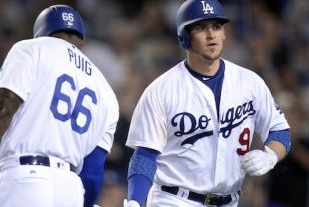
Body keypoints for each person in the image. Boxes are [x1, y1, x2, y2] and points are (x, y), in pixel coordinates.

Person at [123, 0, 291, 206]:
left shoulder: (250, 82)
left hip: (230, 200)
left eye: (216, 26)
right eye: (201, 28)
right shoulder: (161, 90)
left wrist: (271, 155)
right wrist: (134, 201)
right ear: (185, 37)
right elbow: (144, 156)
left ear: (224, 33)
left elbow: (280, 131)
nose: (211, 35)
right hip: (174, 199)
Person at [0, 4, 119, 207]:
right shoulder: (106, 91)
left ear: (41, 33)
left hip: (26, 180)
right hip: (71, 190)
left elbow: (4, 107)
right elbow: (92, 171)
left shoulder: (31, 48)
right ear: (81, 39)